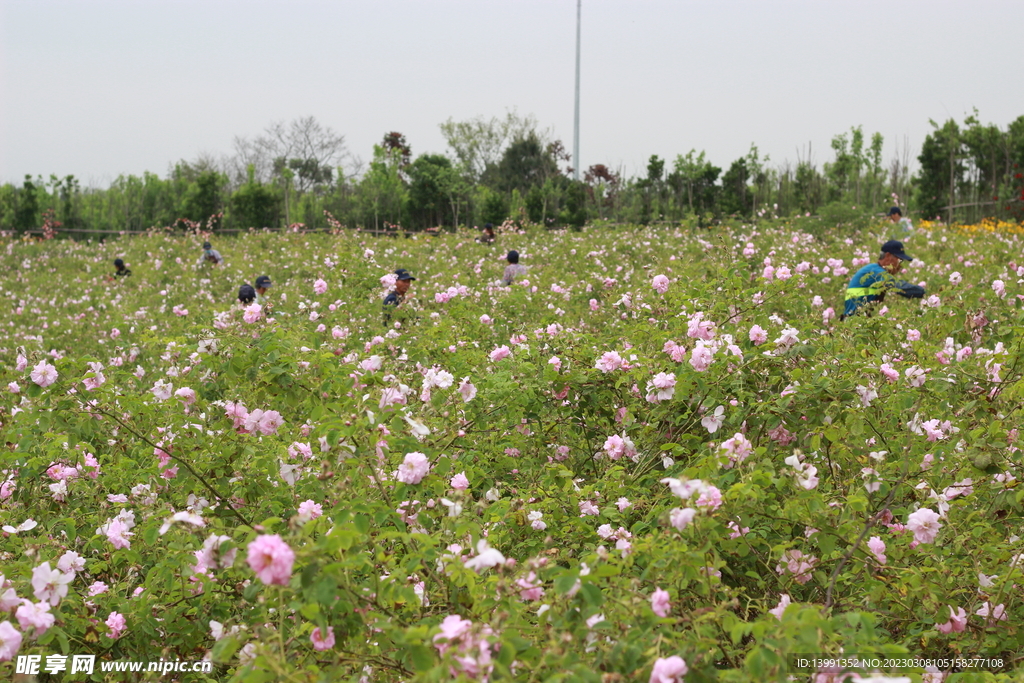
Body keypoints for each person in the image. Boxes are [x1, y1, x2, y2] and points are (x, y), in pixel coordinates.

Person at [842, 240, 925, 319]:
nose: (900, 266)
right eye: (900, 260)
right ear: (888, 256)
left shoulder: (873, 268)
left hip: (857, 320)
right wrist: (925, 293)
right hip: (855, 322)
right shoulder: (875, 271)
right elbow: (899, 287)